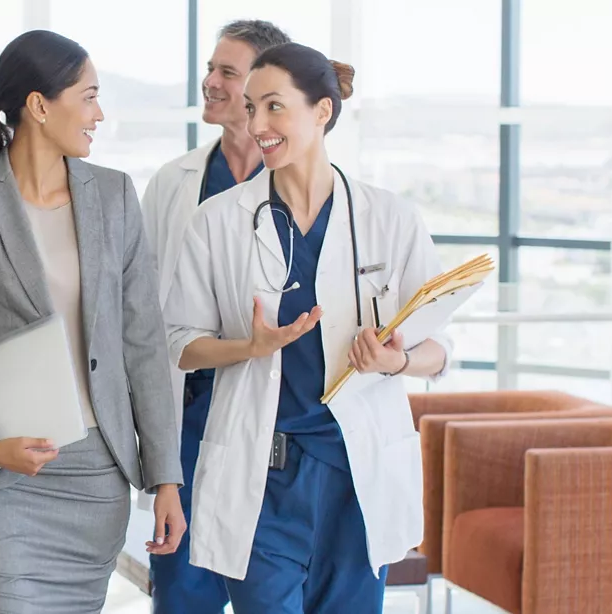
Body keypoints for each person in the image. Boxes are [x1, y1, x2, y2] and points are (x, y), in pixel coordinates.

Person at [162, 42, 454, 613]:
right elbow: (179, 343)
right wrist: (250, 346)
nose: (258, 124)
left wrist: (395, 360)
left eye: (274, 107)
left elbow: (439, 350)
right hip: (261, 477)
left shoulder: (389, 217)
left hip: (355, 475)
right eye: (251, 108)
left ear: (322, 111)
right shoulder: (218, 220)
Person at [0, 29, 187, 614]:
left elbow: (142, 346)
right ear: (39, 106)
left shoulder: (114, 196)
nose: (99, 114)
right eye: (88, 97)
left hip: (95, 480)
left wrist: (166, 477)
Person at [137, 18, 289, 614]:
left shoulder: (301, 183)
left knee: (269, 591)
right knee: (182, 593)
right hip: (191, 422)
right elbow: (143, 314)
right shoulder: (173, 184)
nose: (210, 82)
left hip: (276, 427)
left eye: (227, 71)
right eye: (211, 68)